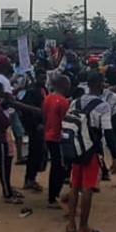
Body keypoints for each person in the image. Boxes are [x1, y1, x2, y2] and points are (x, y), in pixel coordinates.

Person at [65, 72, 111, 232]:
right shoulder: (103, 105)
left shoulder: (75, 102)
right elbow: (108, 131)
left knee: (74, 186)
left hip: (76, 148)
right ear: (99, 85)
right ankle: (84, 227)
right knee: (88, 187)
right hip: (92, 150)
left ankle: (71, 224)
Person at [43, 74, 71, 209]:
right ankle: (53, 197)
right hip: (58, 137)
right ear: (63, 85)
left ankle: (53, 196)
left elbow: (44, 115)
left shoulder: (48, 98)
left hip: (49, 135)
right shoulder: (63, 101)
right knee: (59, 167)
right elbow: (65, 121)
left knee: (56, 166)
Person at [21, 68, 47, 192]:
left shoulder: (43, 90)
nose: (44, 80)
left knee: (40, 154)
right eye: (41, 78)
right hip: (35, 128)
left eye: (45, 78)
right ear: (36, 77)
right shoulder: (31, 91)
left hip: (43, 126)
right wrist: (35, 125)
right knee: (34, 154)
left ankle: (32, 178)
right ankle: (29, 179)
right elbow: (27, 111)